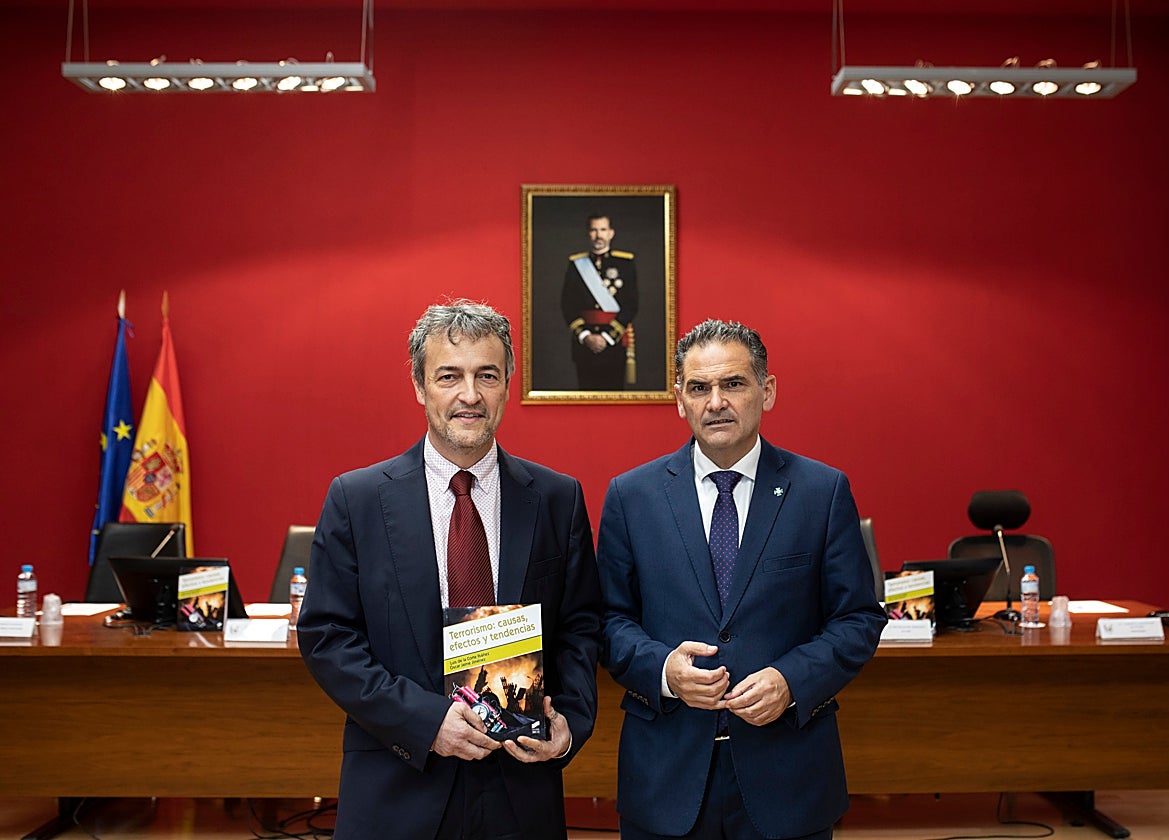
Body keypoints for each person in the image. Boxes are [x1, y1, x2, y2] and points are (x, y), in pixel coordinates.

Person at [297, 300, 602, 840]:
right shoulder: (358, 499)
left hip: (520, 786)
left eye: (487, 375)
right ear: (419, 386)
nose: (470, 395)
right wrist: (425, 722)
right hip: (399, 783)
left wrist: (570, 726)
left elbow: (580, 626)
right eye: (449, 376)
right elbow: (328, 637)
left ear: (507, 384)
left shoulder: (557, 498)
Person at [596, 319, 886, 840]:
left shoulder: (822, 492)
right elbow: (609, 620)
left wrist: (791, 680)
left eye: (733, 384)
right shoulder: (630, 496)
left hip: (788, 775)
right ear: (679, 400)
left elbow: (858, 618)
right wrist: (663, 670)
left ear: (766, 391)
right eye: (699, 388)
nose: (716, 403)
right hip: (666, 775)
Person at [560, 213, 638, 390]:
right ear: (588, 233)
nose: (598, 235)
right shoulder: (576, 264)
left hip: (614, 343)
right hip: (584, 346)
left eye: (602, 230)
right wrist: (585, 336)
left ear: (611, 233)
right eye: (594, 230)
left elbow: (631, 304)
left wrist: (607, 336)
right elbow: (567, 305)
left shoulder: (625, 263)